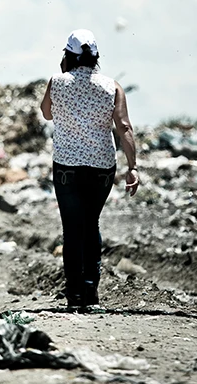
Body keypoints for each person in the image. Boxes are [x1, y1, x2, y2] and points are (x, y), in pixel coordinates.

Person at [40, 28, 139, 311]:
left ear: (67, 56)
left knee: (72, 229)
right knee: (91, 223)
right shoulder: (112, 86)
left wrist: (62, 75)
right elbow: (124, 127)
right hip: (101, 167)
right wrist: (133, 167)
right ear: (96, 57)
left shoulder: (56, 82)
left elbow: (47, 113)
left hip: (67, 166)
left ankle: (74, 294)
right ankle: (90, 290)